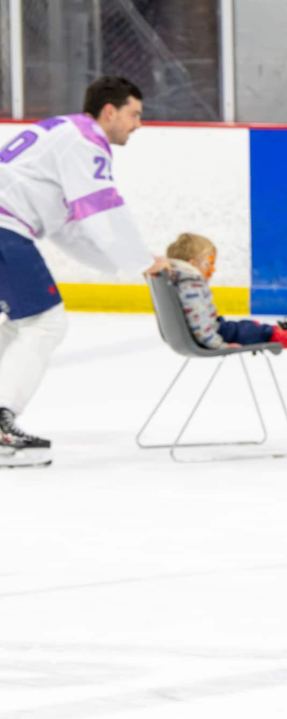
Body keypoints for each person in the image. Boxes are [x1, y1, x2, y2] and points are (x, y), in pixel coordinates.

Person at [0, 75, 167, 468]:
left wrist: (129, 264)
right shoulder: (85, 141)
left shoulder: (64, 134)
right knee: (45, 322)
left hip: (8, 226)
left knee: (21, 323)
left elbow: (68, 228)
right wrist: (143, 260)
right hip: (5, 227)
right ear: (109, 111)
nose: (138, 124)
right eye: (133, 114)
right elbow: (102, 212)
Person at [162, 232, 287, 354]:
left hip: (218, 329)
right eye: (209, 263)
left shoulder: (186, 282)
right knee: (259, 332)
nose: (213, 269)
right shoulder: (191, 287)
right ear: (192, 264)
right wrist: (218, 345)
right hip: (217, 336)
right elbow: (200, 324)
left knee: (252, 327)